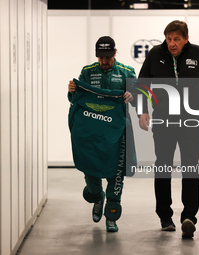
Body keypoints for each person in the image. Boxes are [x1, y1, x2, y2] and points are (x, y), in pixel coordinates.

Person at [137, 20, 199, 238]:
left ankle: (189, 217)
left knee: (190, 167)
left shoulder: (198, 54)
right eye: (168, 39)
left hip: (191, 122)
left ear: (186, 39)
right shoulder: (155, 54)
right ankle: (165, 216)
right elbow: (141, 84)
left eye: (176, 39)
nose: (172, 43)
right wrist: (142, 111)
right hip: (164, 121)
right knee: (163, 166)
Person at [68, 36, 136, 232]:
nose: (104, 62)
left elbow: (141, 97)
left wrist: (133, 95)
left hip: (117, 133)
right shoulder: (87, 72)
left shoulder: (127, 72)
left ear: (115, 53)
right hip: (92, 133)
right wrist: (72, 91)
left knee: (116, 173)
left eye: (107, 57)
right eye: (100, 58)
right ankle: (97, 197)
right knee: (91, 170)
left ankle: (111, 214)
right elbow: (76, 100)